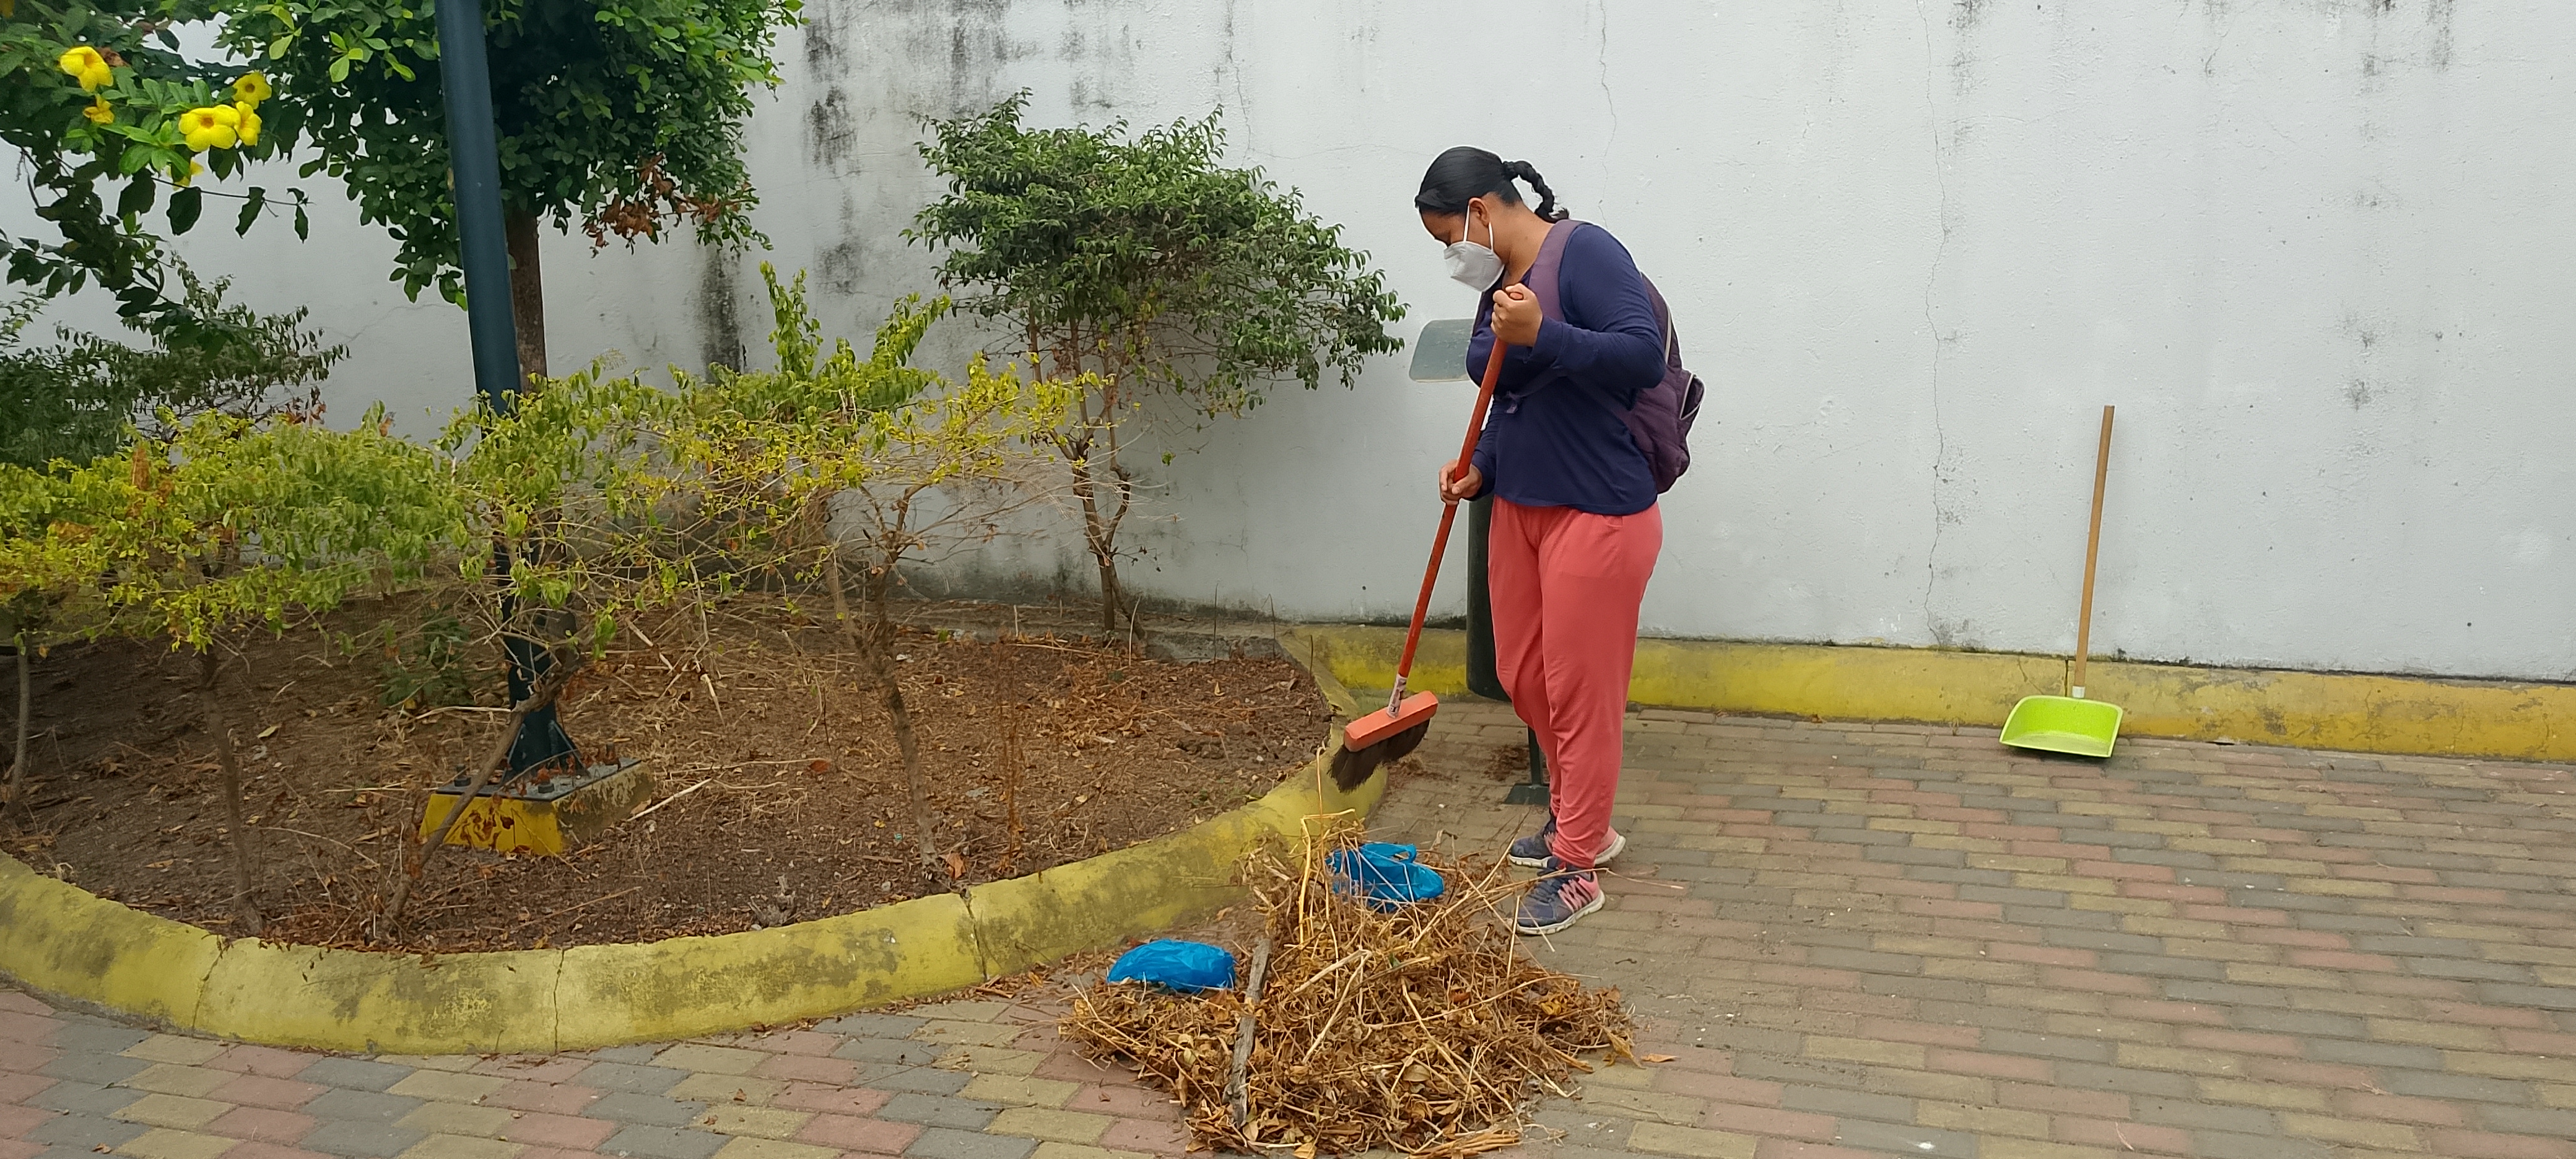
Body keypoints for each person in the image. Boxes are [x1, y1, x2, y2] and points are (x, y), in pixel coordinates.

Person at [1416, 147, 1666, 935]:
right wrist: (1479, 467)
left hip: (1598, 512)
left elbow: (1639, 356)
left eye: (1447, 238)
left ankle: (1577, 862)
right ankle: (1579, 821)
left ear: (1480, 212)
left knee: (1579, 693)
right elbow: (1510, 400)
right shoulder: (1499, 283)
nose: (1450, 256)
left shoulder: (1583, 251)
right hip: (1519, 507)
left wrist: (1543, 334)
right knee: (1523, 676)